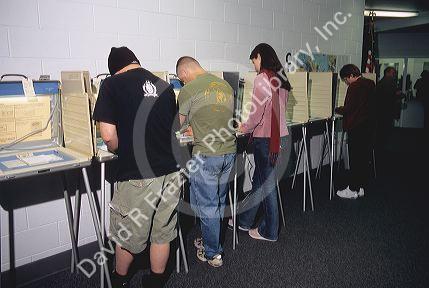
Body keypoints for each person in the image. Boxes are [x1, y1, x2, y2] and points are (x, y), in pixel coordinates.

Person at [93, 47, 181, 288]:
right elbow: (172, 130)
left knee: (127, 234)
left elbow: (109, 137)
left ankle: (119, 280)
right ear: (135, 62)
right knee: (162, 231)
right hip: (172, 172)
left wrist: (121, 148)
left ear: (115, 69)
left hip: (138, 175)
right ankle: (155, 282)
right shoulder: (164, 86)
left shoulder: (111, 85)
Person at [176, 56, 236, 267]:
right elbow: (222, 118)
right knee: (218, 202)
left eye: (180, 80)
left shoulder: (188, 89)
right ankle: (212, 241)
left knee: (207, 205)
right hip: (229, 153)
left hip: (206, 156)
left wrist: (188, 128)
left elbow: (178, 127)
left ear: (183, 74)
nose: (182, 83)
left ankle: (213, 254)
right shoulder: (225, 85)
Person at [235, 43, 291, 241]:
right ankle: (245, 220)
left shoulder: (262, 79)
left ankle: (270, 231)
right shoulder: (281, 78)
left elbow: (256, 114)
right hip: (281, 137)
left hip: (266, 140)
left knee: (267, 186)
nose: (254, 65)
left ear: (260, 56)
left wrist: (243, 127)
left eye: (254, 60)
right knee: (260, 181)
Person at [335, 64, 375, 199]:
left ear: (352, 75)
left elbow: (349, 108)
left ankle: (352, 190)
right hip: (368, 125)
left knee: (355, 159)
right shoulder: (370, 83)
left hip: (356, 126)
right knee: (363, 159)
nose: (346, 83)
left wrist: (336, 109)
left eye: (346, 79)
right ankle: (360, 188)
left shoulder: (354, 86)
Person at [375, 67, 401, 152]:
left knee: (382, 129)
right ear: (387, 73)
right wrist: (397, 95)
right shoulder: (388, 82)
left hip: (381, 111)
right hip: (386, 111)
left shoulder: (382, 82)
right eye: (393, 73)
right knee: (385, 130)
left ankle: (381, 147)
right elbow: (389, 97)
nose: (394, 75)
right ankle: (383, 148)